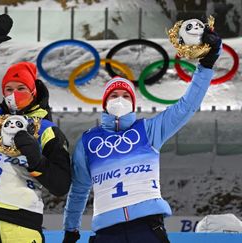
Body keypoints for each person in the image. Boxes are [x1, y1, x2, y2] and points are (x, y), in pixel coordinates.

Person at [63, 27, 222, 243]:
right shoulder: (89, 141)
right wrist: (70, 230)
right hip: (107, 232)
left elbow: (187, 106)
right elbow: (79, 190)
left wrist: (206, 64)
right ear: (105, 103)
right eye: (114, 95)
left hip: (147, 227)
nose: (120, 99)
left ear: (133, 102)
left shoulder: (148, 130)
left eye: (126, 95)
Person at [0, 14, 71, 243]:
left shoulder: (48, 130)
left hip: (21, 220)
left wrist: (36, 159)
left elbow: (61, 185)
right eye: (8, 88)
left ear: (34, 91)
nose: (13, 94)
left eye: (21, 88)